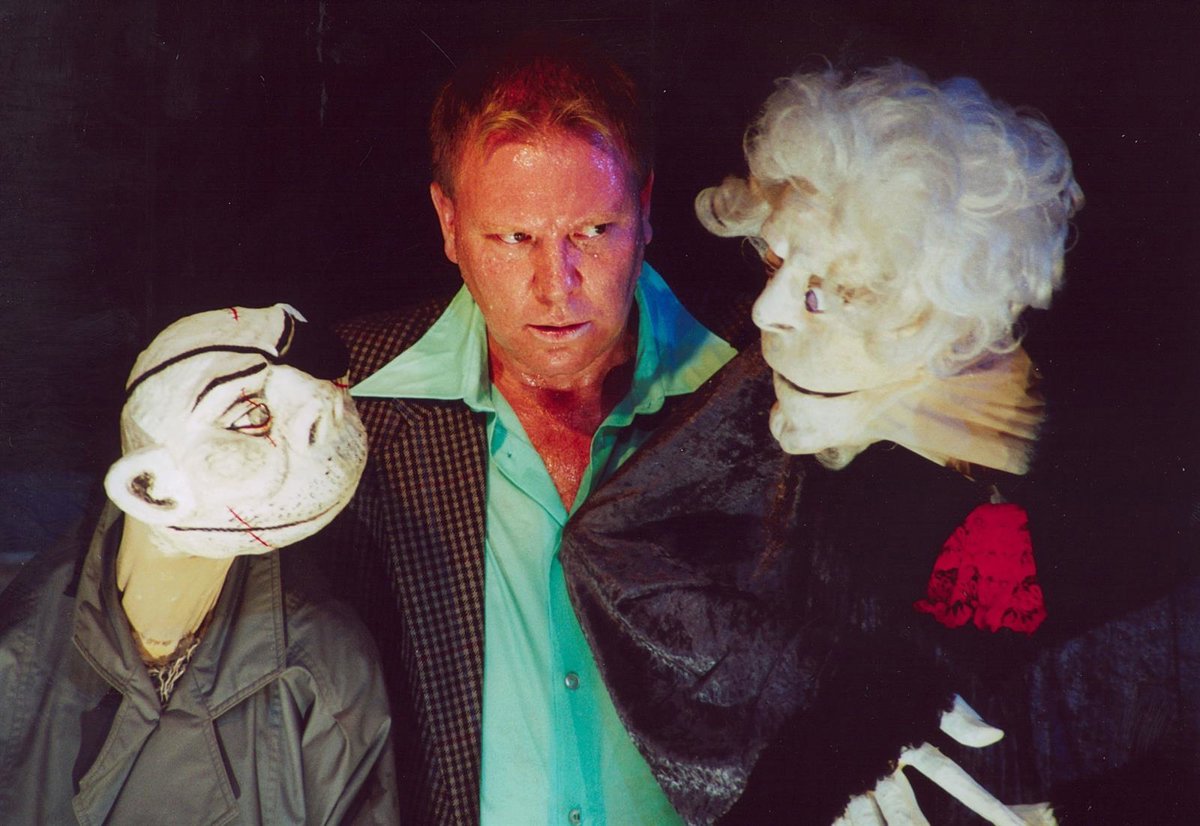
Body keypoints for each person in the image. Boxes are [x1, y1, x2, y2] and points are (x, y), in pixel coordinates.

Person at [561, 62, 1084, 824]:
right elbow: (610, 546)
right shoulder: (791, 398)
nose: (765, 309)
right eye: (775, 263)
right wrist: (825, 711)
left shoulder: (1087, 471)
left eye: (819, 291)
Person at [327, 35, 736, 825]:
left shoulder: (764, 382)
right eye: (514, 238)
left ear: (645, 210)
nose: (557, 286)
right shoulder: (344, 397)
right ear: (449, 223)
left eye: (594, 231)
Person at [0, 304, 398, 824]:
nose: (318, 420)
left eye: (330, 392)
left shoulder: (325, 672)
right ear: (149, 489)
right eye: (252, 416)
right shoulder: (19, 648)